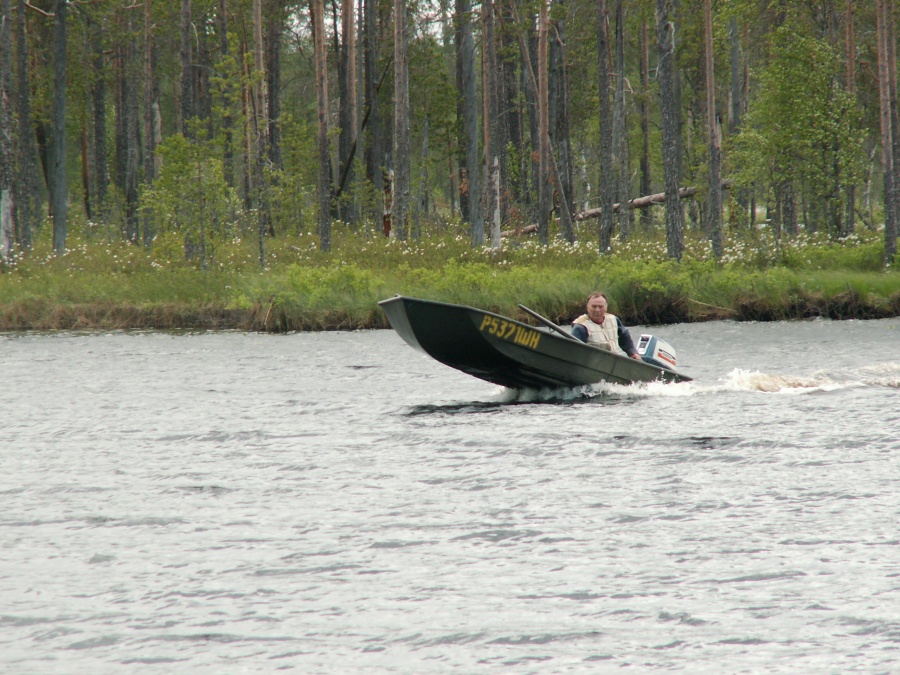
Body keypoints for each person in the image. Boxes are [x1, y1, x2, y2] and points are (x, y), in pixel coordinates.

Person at [571, 292, 642, 360]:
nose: (597, 310)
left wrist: (633, 353)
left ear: (606, 307)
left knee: (648, 360)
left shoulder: (614, 320)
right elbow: (574, 352)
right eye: (594, 306)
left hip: (615, 363)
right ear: (587, 307)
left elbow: (624, 339)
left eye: (600, 306)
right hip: (593, 366)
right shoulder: (580, 326)